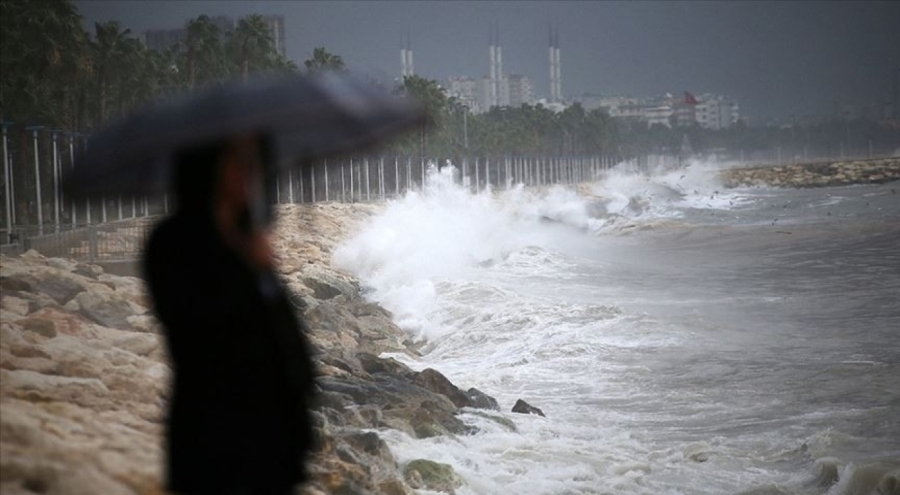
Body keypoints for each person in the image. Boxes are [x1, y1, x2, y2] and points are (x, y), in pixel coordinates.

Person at [143, 133, 316, 495]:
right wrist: (250, 266)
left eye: (254, 163)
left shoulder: (247, 235)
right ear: (209, 167)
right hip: (214, 437)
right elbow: (197, 331)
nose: (249, 174)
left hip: (273, 439)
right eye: (239, 162)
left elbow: (281, 331)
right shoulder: (173, 242)